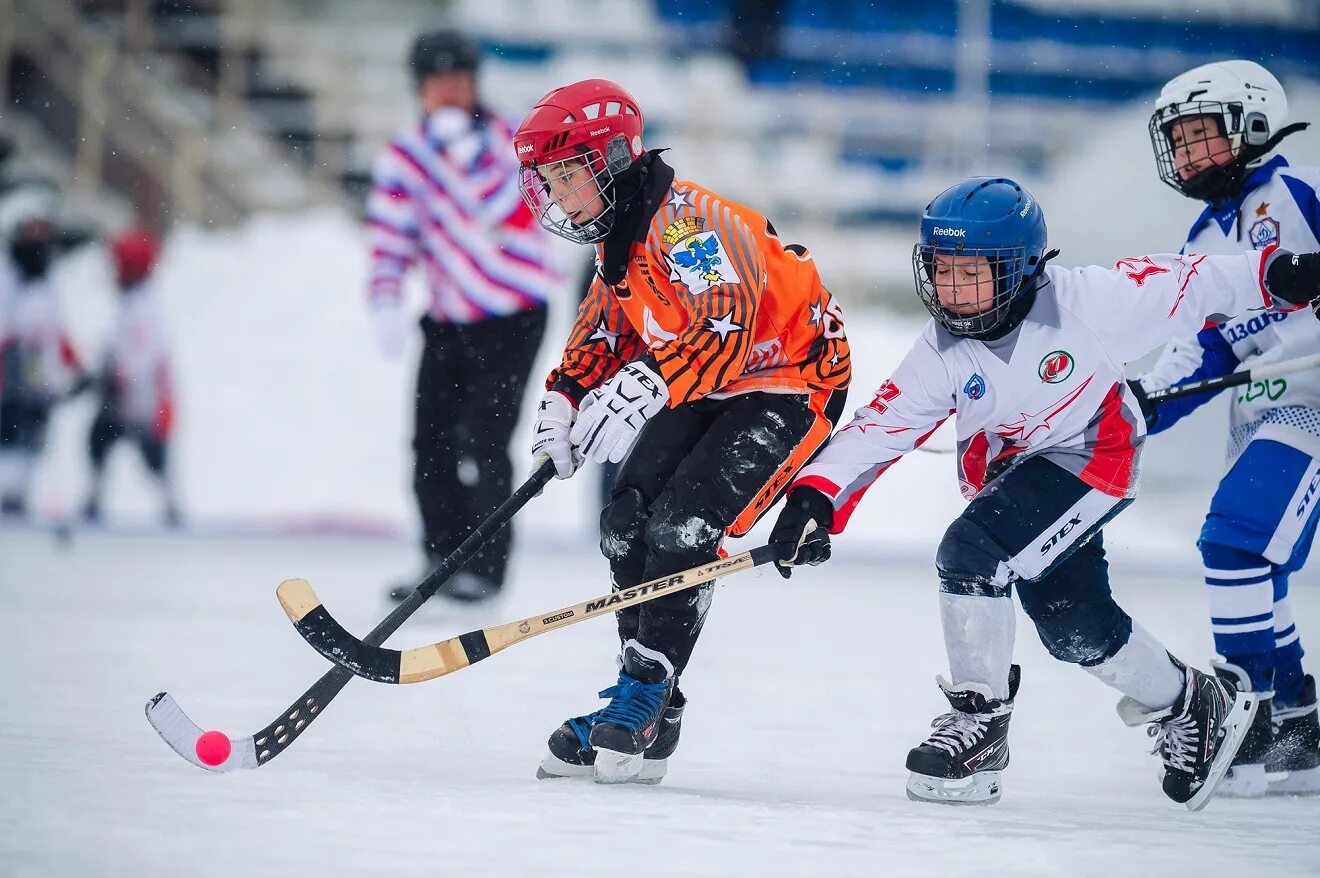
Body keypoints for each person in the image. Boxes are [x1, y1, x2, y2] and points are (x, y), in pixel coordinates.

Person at [769, 175, 1320, 809]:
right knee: (1074, 626)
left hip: (1093, 456)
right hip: (1016, 480)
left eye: (973, 273)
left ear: (1026, 268)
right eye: (941, 270)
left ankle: (980, 724)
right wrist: (814, 496)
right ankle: (1191, 702)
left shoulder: (1092, 300)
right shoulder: (940, 349)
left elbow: (1193, 282)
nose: (954, 291)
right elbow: (877, 429)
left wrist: (1279, 275)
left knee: (972, 552)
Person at [517, 79, 851, 784]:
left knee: (684, 527)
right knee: (626, 521)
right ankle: (648, 706)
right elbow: (604, 329)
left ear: (610, 160)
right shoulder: (621, 236)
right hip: (708, 382)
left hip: (791, 381)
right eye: (548, 181)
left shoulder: (683, 225)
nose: (556, 196)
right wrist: (565, 399)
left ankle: (644, 693)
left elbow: (725, 327)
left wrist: (643, 387)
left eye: (567, 175)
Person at [1133, 59, 1320, 796]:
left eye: (1199, 137)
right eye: (1176, 143)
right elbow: (1198, 350)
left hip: (1312, 404)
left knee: (1233, 541)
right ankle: (1300, 720)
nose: (1184, 156)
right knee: (1255, 564)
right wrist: (1133, 404)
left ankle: (1250, 718)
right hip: (1261, 413)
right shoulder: (1203, 240)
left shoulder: (1299, 190)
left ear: (1251, 124)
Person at [367, 29, 557, 604]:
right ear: (419, 89)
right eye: (437, 82)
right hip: (449, 319)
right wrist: (384, 296)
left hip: (515, 315)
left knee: (485, 439)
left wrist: (466, 156)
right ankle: (440, 558)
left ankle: (486, 568)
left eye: (459, 80)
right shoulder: (404, 156)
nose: (449, 92)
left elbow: (516, 213)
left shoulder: (510, 140)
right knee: (430, 442)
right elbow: (390, 235)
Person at [83, 227, 179, 526]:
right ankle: (97, 497)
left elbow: (140, 356)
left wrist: (114, 376)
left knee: (135, 447)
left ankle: (169, 504)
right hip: (130, 396)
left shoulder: (142, 307)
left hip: (140, 398)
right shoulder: (134, 303)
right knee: (101, 439)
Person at [0, 214, 86, 516]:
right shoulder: (8, 282)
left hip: (34, 386)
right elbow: (13, 339)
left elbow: (55, 334)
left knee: (31, 447)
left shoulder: (43, 284)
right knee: (10, 443)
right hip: (10, 387)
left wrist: (77, 369)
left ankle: (17, 501)